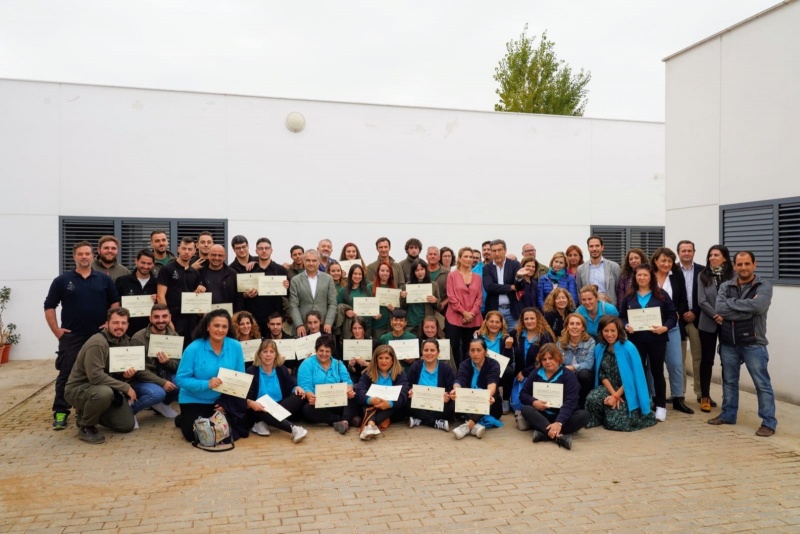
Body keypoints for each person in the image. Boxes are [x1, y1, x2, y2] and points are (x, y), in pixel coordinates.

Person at [45, 240, 120, 430]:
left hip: (99, 336)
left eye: (87, 253)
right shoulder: (62, 280)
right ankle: (61, 412)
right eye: (81, 254)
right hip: (73, 336)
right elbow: (49, 306)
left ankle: (87, 409)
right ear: (74, 256)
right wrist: (56, 330)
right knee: (67, 374)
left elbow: (115, 303)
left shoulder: (103, 279)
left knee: (100, 372)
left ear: (93, 255)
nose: (84, 257)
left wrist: (108, 323)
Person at [708, 251, 776, 437]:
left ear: (754, 264)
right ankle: (728, 415)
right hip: (729, 342)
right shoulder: (726, 285)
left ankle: (768, 423)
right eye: (740, 264)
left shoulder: (763, 285)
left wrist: (732, 306)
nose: (743, 268)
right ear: (735, 266)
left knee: (762, 384)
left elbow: (759, 307)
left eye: (747, 264)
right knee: (729, 382)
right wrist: (746, 308)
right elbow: (720, 308)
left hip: (754, 342)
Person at [63, 307, 137, 443]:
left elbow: (115, 372)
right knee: (104, 393)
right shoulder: (97, 342)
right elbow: (95, 376)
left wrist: (126, 376)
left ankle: (86, 412)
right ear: (107, 324)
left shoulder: (124, 342)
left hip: (104, 389)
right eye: (115, 323)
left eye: (123, 323)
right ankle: (86, 426)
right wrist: (125, 387)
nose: (119, 327)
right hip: (79, 389)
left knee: (126, 425)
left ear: (127, 325)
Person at [174, 309, 247, 443]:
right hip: (194, 398)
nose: (220, 330)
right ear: (207, 326)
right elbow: (180, 379)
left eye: (224, 326)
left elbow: (239, 378)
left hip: (220, 400)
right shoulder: (193, 348)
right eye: (216, 325)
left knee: (230, 430)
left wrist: (226, 403)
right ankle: (183, 418)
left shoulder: (236, 346)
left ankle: (187, 418)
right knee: (195, 435)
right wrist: (206, 384)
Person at [619, 264, 677, 422]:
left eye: (645, 275)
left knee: (657, 372)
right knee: (639, 371)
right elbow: (622, 316)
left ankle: (660, 406)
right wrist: (625, 326)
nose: (642, 278)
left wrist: (665, 327)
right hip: (636, 340)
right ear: (635, 278)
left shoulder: (661, 295)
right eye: (639, 275)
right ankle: (642, 404)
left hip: (657, 340)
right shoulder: (629, 297)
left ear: (651, 277)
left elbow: (672, 316)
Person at [585, 316, 657, 432]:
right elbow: (602, 374)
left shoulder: (629, 348)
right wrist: (613, 394)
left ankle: (610, 414)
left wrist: (617, 396)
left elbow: (633, 377)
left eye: (613, 331)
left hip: (627, 390)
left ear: (619, 331)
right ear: (601, 332)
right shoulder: (600, 348)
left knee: (616, 423)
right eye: (606, 331)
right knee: (591, 399)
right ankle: (603, 416)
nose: (609, 334)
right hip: (609, 388)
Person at [518, 343, 590, 450]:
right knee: (526, 409)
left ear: (558, 358)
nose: (547, 362)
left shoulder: (568, 376)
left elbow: (571, 401)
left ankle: (543, 433)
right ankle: (559, 437)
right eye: (544, 359)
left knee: (584, 415)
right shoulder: (535, 373)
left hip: (562, 415)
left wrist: (559, 422)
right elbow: (523, 394)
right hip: (542, 414)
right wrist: (534, 402)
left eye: (551, 358)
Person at [650, 247, 693, 415]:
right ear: (655, 261)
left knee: (675, 362)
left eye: (669, 261)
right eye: (663, 260)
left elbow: (683, 300)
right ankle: (655, 397)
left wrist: (677, 312)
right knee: (654, 365)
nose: (666, 264)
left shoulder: (677, 276)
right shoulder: (648, 275)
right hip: (651, 326)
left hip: (671, 324)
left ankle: (678, 398)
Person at [245, 339, 308, 443]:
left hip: (280, 406)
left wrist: (297, 388)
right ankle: (294, 429)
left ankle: (265, 422)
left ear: (276, 355)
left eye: (271, 351)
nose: (268, 355)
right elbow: (248, 397)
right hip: (260, 407)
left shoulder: (281, 369)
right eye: (265, 351)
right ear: (259, 354)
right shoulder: (251, 371)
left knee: (300, 396)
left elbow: (290, 387)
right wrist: (251, 403)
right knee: (261, 408)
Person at [696, 245, 734, 412]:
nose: (712, 257)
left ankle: (729, 399)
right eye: (710, 255)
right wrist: (716, 315)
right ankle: (705, 396)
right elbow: (701, 300)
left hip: (728, 323)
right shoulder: (703, 275)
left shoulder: (733, 276)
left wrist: (724, 315)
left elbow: (734, 298)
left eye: (716, 255)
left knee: (728, 360)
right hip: (708, 323)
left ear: (725, 257)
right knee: (707, 360)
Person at [297, 335, 358, 434]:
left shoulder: (338, 363)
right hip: (317, 403)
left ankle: (345, 421)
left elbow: (347, 380)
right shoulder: (307, 364)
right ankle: (341, 420)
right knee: (307, 410)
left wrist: (349, 389)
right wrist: (309, 395)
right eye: (321, 350)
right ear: (316, 350)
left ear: (331, 352)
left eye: (327, 351)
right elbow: (305, 385)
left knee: (354, 394)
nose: (324, 354)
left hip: (336, 401)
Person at [129, 303, 181, 418]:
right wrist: (162, 382)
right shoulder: (138, 338)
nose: (161, 320)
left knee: (183, 383)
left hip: (165, 375)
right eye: (156, 317)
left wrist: (167, 362)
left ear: (170, 317)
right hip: (142, 381)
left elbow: (178, 365)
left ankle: (163, 405)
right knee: (157, 393)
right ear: (150, 318)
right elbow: (138, 370)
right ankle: (130, 412)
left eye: (164, 316)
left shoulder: (174, 336)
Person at [354, 345, 410, 440]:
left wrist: (389, 404)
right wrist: (370, 400)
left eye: (387, 358)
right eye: (380, 358)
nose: (383, 361)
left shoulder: (400, 374)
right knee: (366, 403)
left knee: (398, 404)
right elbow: (360, 390)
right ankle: (372, 425)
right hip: (372, 405)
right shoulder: (368, 373)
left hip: (391, 409)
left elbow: (403, 394)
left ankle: (370, 424)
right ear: (376, 360)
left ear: (393, 360)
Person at [450, 338, 502, 439]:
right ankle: (475, 426)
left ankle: (467, 426)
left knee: (488, 396)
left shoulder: (493, 364)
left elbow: (492, 384)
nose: (475, 354)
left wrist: (487, 396)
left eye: (479, 350)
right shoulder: (465, 364)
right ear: (469, 352)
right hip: (469, 403)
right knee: (454, 399)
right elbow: (459, 379)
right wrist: (456, 390)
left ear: (485, 352)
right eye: (472, 350)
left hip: (490, 405)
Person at [242, 237, 290, 334]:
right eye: (260, 248)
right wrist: (246, 294)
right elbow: (240, 295)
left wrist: (287, 287)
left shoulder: (281, 270)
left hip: (274, 320)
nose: (264, 251)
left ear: (271, 250)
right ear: (256, 251)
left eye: (267, 248)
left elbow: (288, 295)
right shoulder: (249, 270)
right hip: (254, 319)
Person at [676, 240, 705, 406]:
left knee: (698, 357)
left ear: (694, 252)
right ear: (678, 253)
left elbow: (708, 296)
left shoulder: (703, 270)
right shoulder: (671, 270)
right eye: (683, 251)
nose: (686, 253)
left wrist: (694, 312)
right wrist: (681, 313)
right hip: (678, 320)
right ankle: (679, 393)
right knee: (678, 359)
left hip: (697, 319)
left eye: (689, 250)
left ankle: (701, 393)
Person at [156, 237, 201, 338]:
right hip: (173, 317)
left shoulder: (195, 273)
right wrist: (167, 320)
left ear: (194, 251)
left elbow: (197, 297)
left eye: (190, 249)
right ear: (178, 249)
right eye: (184, 248)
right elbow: (160, 296)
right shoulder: (167, 269)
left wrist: (201, 290)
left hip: (190, 320)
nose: (186, 252)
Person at [445, 247, 483, 367]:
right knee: (454, 347)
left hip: (473, 318)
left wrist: (471, 313)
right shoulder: (452, 276)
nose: (468, 259)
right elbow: (451, 296)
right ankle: (456, 374)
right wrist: (464, 313)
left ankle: (469, 373)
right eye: (465, 256)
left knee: (471, 348)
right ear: (460, 259)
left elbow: (479, 297)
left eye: (471, 257)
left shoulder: (478, 277)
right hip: (454, 318)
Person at [407, 339, 455, 431]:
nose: (429, 353)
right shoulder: (416, 366)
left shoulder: (446, 368)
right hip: (419, 404)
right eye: (426, 350)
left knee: (452, 405)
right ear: (422, 352)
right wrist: (410, 391)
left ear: (438, 352)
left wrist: (447, 396)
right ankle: (435, 423)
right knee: (405, 401)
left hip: (438, 405)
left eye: (432, 350)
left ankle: (420, 419)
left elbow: (450, 388)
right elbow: (408, 385)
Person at [288, 249, 338, 337]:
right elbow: (293, 305)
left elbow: (332, 304)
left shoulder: (328, 279)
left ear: (319, 262)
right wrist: (299, 324)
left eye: (314, 260)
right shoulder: (295, 280)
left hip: (324, 327)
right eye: (308, 260)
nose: (311, 263)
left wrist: (328, 322)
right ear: (303, 261)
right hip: (302, 328)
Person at [477, 311, 515, 414]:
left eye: (497, 322)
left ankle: (506, 400)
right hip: (482, 369)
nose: (494, 324)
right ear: (486, 322)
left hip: (499, 371)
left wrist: (508, 348)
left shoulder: (506, 338)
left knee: (509, 371)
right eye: (491, 321)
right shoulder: (479, 337)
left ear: (501, 324)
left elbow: (509, 361)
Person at [115, 249, 158, 336]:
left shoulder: (158, 284)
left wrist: (158, 299)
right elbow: (115, 305)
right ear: (136, 261)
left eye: (149, 263)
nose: (146, 266)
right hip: (126, 331)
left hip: (150, 331)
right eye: (143, 262)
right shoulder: (122, 281)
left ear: (153, 264)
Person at [556, 313, 595, 408]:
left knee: (584, 374)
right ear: (567, 327)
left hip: (582, 376)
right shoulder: (560, 343)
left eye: (578, 324)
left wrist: (571, 368)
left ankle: (582, 404)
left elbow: (589, 364)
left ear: (583, 327)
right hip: (566, 375)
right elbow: (557, 363)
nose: (574, 327)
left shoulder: (590, 342)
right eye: (571, 324)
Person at [482, 239, 522, 330]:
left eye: (499, 250)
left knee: (514, 339)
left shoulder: (515, 265)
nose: (497, 253)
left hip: (512, 310)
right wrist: (510, 287)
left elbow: (519, 286)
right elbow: (489, 287)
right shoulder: (487, 268)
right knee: (495, 339)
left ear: (505, 250)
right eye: (494, 251)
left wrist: (517, 281)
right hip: (494, 310)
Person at [196, 244, 243, 313]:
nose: (216, 258)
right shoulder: (199, 273)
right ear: (208, 255)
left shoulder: (233, 274)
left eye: (220, 255)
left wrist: (236, 317)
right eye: (213, 255)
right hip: (205, 318)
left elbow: (239, 299)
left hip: (228, 317)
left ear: (225, 256)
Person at [576, 236, 621, 305]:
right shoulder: (581, 269)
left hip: (609, 307)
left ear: (602, 247)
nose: (594, 249)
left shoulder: (614, 267)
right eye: (591, 246)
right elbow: (579, 290)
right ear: (588, 248)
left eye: (597, 246)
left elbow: (619, 290)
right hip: (588, 307)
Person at [337, 264, 376, 340]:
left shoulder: (367, 289)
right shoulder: (343, 291)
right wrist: (346, 311)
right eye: (355, 274)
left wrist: (374, 313)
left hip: (366, 325)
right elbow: (338, 307)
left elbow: (370, 306)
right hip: (351, 327)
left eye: (360, 274)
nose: (357, 276)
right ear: (350, 275)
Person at [403, 258, 440, 335]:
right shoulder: (407, 286)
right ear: (413, 272)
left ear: (426, 270)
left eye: (422, 269)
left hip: (427, 324)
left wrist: (435, 301)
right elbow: (402, 306)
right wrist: (403, 297)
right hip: (411, 323)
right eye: (417, 270)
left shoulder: (433, 285)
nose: (420, 272)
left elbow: (439, 307)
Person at [370, 261, 405, 339]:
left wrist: (394, 309)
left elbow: (399, 309)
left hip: (391, 326)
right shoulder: (370, 287)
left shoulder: (394, 288)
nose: (385, 273)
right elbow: (366, 305)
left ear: (390, 273)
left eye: (387, 271)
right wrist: (372, 313)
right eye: (382, 270)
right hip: (377, 325)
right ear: (378, 272)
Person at [345, 317, 372, 382]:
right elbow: (349, 370)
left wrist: (366, 363)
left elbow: (379, 364)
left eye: (360, 328)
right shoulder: (347, 344)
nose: (357, 331)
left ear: (364, 329)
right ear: (351, 330)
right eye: (354, 328)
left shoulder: (373, 343)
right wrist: (351, 366)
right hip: (354, 376)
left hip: (370, 374)